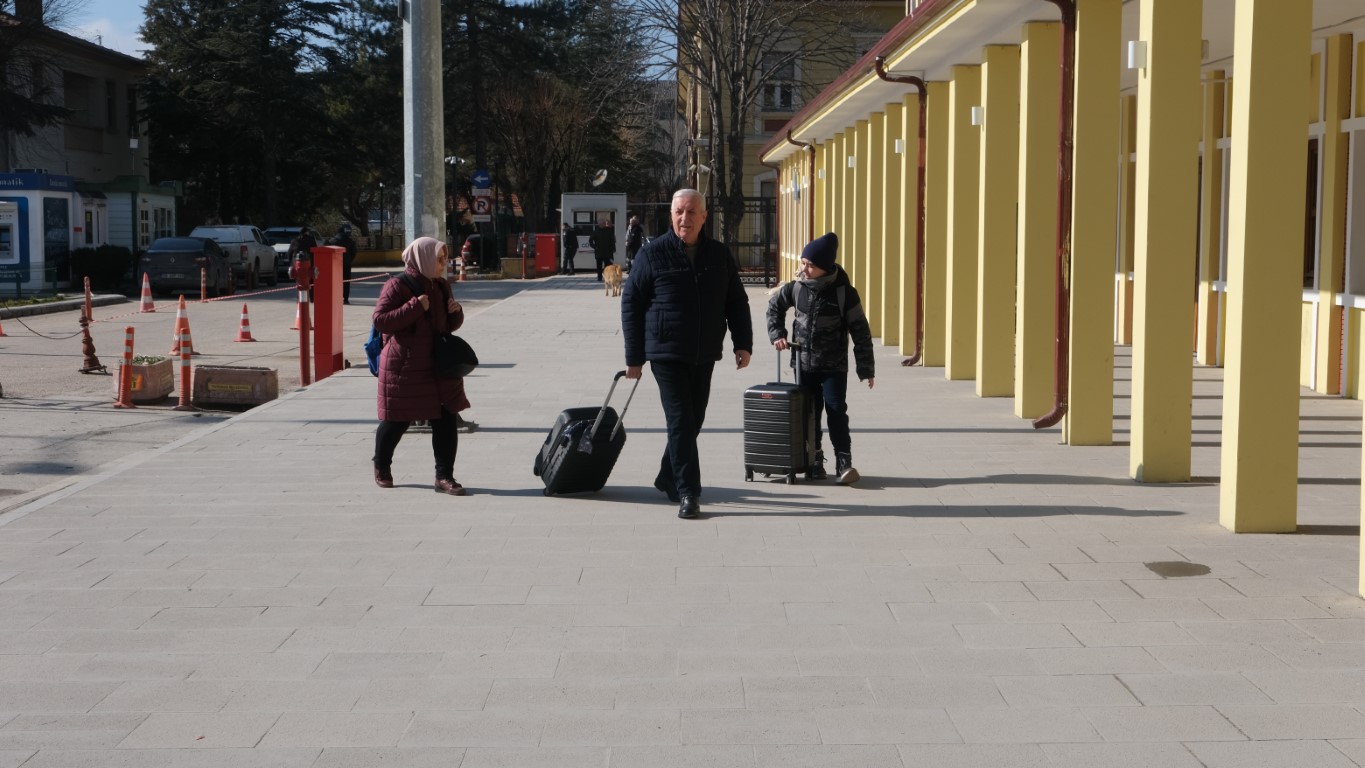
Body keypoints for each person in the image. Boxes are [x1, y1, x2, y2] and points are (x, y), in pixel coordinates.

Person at [622, 189, 753, 519]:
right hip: (666, 353)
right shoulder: (651, 254)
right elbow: (631, 304)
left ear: (704, 217)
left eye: (692, 212)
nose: (685, 218)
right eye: (679, 211)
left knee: (694, 419)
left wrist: (743, 343)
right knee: (680, 420)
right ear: (671, 215)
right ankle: (688, 492)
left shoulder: (719, 255)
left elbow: (736, 301)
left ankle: (668, 476)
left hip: (704, 352)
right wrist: (634, 357)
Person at [766, 232, 875, 485]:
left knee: (836, 411)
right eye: (803, 262)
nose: (804, 269)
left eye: (810, 265)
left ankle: (844, 461)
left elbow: (861, 331)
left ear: (825, 267)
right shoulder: (796, 288)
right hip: (803, 365)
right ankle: (814, 459)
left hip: (833, 366)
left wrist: (866, 368)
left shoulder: (845, 293)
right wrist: (777, 334)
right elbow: (774, 308)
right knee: (809, 413)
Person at [372, 236, 471, 496]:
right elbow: (381, 321)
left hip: (439, 366)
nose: (443, 263)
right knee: (397, 420)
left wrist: (456, 312)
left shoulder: (441, 286)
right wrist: (414, 306)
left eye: (444, 258)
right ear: (423, 258)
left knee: (446, 418)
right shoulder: (397, 285)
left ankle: (444, 476)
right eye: (439, 259)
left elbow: (447, 326)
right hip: (406, 366)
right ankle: (382, 466)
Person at [327, 223, 359, 304]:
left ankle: (335, 298)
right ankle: (345, 299)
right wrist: (349, 260)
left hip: (334, 265)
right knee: (346, 282)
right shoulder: (350, 241)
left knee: (335, 281)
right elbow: (354, 252)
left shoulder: (332, 240)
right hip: (346, 265)